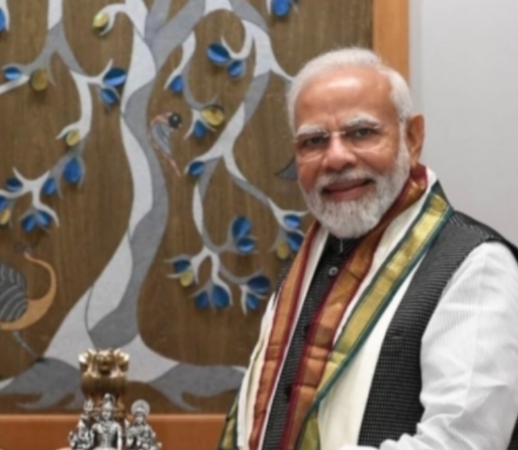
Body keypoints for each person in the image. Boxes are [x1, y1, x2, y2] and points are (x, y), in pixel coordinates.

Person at [218, 48, 518, 450]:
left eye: (361, 132)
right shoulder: (311, 259)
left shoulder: (474, 266)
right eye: (314, 141)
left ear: (412, 138)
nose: (336, 158)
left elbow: (463, 441)